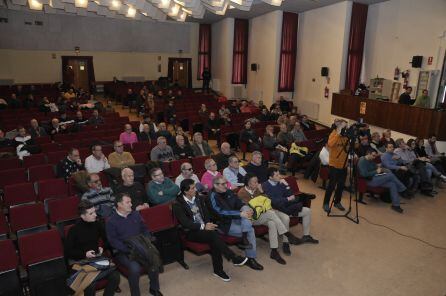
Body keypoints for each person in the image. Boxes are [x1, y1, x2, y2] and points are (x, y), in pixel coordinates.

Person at [172, 179, 248, 281]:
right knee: (213, 236)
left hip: (205, 227)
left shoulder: (198, 197)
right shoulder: (177, 204)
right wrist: (203, 226)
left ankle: (219, 270)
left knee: (213, 238)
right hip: (191, 231)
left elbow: (206, 213)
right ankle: (232, 258)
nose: (196, 189)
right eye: (193, 188)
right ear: (186, 191)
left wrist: (207, 223)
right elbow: (186, 223)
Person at [106, 193, 163, 296]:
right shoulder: (111, 221)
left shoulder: (135, 214)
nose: (131, 204)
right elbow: (113, 241)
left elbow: (144, 229)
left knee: (153, 260)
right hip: (124, 251)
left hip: (140, 246)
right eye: (128, 202)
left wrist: (147, 240)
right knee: (135, 269)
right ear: (119, 204)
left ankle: (154, 288)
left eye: (130, 202)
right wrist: (128, 249)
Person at [238, 174, 301, 264]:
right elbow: (251, 208)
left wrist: (261, 191)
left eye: (257, 181)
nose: (257, 183)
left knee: (273, 223)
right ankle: (287, 234)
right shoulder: (242, 192)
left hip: (263, 214)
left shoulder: (257, 190)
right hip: (251, 218)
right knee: (271, 214)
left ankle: (274, 251)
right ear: (248, 183)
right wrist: (262, 204)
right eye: (255, 182)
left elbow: (267, 201)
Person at [65, 200, 121, 296]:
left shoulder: (97, 224)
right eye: (91, 213)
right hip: (81, 262)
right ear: (83, 216)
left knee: (115, 276)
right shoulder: (74, 230)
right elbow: (68, 252)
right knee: (90, 285)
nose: (95, 215)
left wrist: (101, 247)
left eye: (94, 211)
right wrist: (84, 254)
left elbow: (107, 240)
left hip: (96, 260)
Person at [208, 176, 264, 270]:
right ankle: (251, 258)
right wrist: (240, 214)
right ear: (215, 185)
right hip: (224, 223)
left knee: (246, 208)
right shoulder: (212, 196)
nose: (225, 186)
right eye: (222, 184)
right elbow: (220, 212)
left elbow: (238, 202)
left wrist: (246, 209)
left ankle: (244, 237)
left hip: (236, 217)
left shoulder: (228, 191)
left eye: (226, 183)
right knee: (251, 230)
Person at [262, 168, 318, 241]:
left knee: (307, 211)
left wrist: (286, 184)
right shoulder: (266, 185)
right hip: (276, 210)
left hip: (286, 207)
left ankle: (306, 236)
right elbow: (273, 201)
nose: (280, 176)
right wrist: (287, 199)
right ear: (270, 177)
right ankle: (286, 242)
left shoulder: (281, 183)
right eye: (277, 175)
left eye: (279, 174)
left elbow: (291, 195)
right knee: (286, 218)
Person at [322, 120, 349, 213]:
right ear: (339, 126)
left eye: (346, 126)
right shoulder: (333, 133)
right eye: (343, 126)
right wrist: (338, 132)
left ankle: (337, 202)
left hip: (344, 165)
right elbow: (330, 144)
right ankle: (326, 203)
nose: (345, 127)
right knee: (331, 185)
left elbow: (351, 147)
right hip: (334, 164)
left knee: (341, 185)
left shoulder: (346, 136)